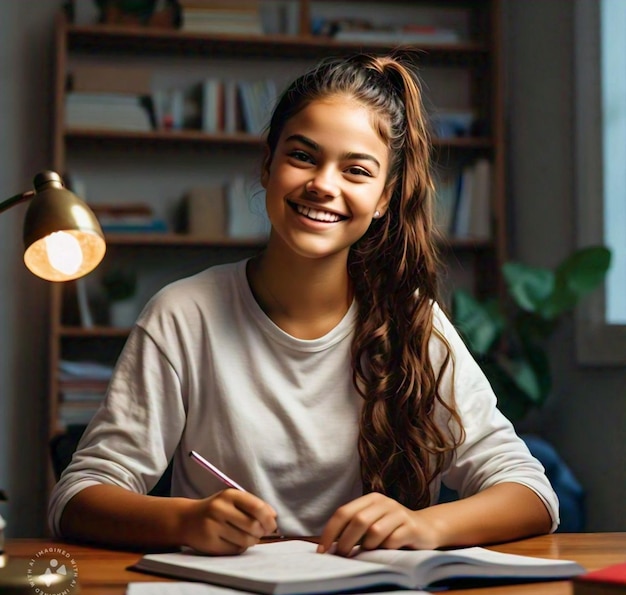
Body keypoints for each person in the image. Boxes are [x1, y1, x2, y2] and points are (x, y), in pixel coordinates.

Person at [48, 51, 559, 557]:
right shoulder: (184, 314)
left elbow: (531, 493)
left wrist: (423, 526)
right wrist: (186, 518)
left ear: (384, 198)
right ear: (267, 165)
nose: (323, 185)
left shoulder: (413, 322)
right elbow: (77, 497)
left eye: (356, 171)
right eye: (302, 156)